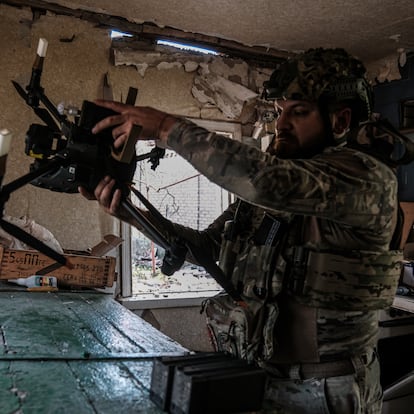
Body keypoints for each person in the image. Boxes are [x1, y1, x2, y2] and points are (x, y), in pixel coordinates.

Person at [80, 48, 406, 413]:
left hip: (327, 390)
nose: (281, 125)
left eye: (298, 112)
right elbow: (204, 246)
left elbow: (266, 179)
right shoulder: (275, 190)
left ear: (341, 120)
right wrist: (128, 211)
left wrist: (167, 128)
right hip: (260, 378)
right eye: (279, 112)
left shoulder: (364, 179)